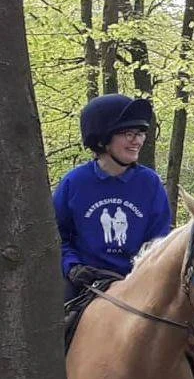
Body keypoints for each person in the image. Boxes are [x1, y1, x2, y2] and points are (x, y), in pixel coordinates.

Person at [53, 93, 171, 301]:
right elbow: (57, 235)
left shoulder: (150, 183)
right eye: (128, 134)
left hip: (138, 281)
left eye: (140, 133)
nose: (137, 141)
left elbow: (159, 240)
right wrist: (72, 267)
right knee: (55, 326)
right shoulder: (75, 182)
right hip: (86, 283)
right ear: (102, 139)